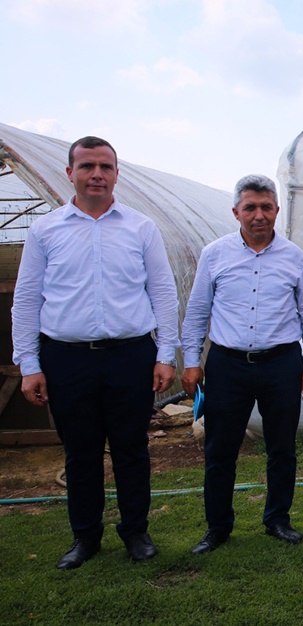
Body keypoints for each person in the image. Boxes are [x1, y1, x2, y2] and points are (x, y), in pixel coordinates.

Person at [11, 136, 179, 570]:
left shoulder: (140, 227)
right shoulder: (46, 230)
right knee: (80, 452)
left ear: (117, 173)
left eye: (105, 166)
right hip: (67, 358)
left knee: (131, 449)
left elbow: (162, 291)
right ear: (70, 173)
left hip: (129, 356)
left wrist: (166, 354)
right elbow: (27, 299)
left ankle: (135, 532)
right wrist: (29, 365)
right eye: (87, 166)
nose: (97, 174)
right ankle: (85, 537)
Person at [181, 174, 303, 554]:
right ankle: (218, 527)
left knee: (281, 448)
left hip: (281, 364)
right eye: (250, 207)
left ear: (276, 210)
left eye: (266, 207)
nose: (258, 215)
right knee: (219, 450)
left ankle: (277, 519)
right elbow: (197, 312)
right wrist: (191, 361)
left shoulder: (294, 257)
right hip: (227, 365)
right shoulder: (215, 254)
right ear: (236, 212)